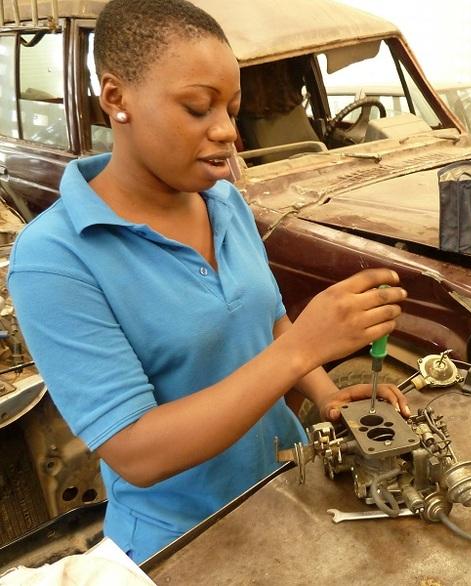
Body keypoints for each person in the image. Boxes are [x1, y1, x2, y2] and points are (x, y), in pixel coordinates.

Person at [7, 0, 409, 563]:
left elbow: (267, 321)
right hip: (188, 543)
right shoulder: (56, 258)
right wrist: (302, 350)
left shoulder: (223, 202)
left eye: (232, 107)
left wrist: (325, 392)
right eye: (198, 107)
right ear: (116, 98)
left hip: (288, 489)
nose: (226, 130)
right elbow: (137, 452)